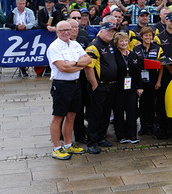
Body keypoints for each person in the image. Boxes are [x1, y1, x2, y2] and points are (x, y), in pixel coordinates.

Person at [46, 20, 91, 159]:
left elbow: (88, 60)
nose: (66, 32)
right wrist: (78, 65)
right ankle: (56, 148)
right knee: (58, 117)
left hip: (75, 84)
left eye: (68, 29)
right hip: (61, 85)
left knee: (71, 116)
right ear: (57, 32)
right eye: (62, 30)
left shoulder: (75, 44)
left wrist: (75, 64)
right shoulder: (54, 47)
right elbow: (62, 67)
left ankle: (67, 144)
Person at [84, 21, 122, 153]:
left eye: (113, 32)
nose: (111, 34)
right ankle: (92, 142)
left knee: (105, 114)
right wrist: (95, 84)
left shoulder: (110, 44)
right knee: (96, 115)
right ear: (101, 31)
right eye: (109, 31)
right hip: (99, 86)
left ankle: (101, 137)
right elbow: (88, 68)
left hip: (111, 85)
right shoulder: (94, 46)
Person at [112, 32, 143, 144]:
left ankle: (132, 135)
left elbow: (138, 72)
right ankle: (121, 135)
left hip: (132, 87)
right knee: (119, 112)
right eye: (121, 41)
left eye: (125, 41)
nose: (124, 43)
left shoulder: (133, 55)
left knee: (132, 111)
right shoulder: (114, 55)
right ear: (116, 43)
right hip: (118, 88)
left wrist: (139, 87)